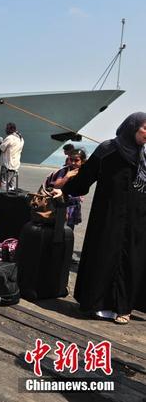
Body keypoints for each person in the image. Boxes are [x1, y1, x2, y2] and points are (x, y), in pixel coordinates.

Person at [62, 112, 146, 325]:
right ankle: (97, 305)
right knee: (104, 255)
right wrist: (67, 183)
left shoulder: (144, 155)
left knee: (132, 260)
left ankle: (124, 307)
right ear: (132, 128)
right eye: (144, 128)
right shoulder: (107, 150)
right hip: (108, 215)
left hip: (138, 219)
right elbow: (84, 181)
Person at [45, 148, 86, 230]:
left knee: (69, 229)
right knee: (59, 229)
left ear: (83, 161)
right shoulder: (64, 171)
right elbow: (56, 186)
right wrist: (67, 176)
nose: (73, 162)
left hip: (73, 205)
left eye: (76, 160)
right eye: (71, 159)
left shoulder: (83, 172)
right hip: (62, 204)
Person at [0, 122, 24, 190]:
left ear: (9, 129)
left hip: (8, 165)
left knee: (3, 184)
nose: (5, 130)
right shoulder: (21, 139)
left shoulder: (10, 138)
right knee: (11, 187)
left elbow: (1, 148)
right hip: (15, 166)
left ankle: (1, 199)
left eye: (6, 129)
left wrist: (0, 143)